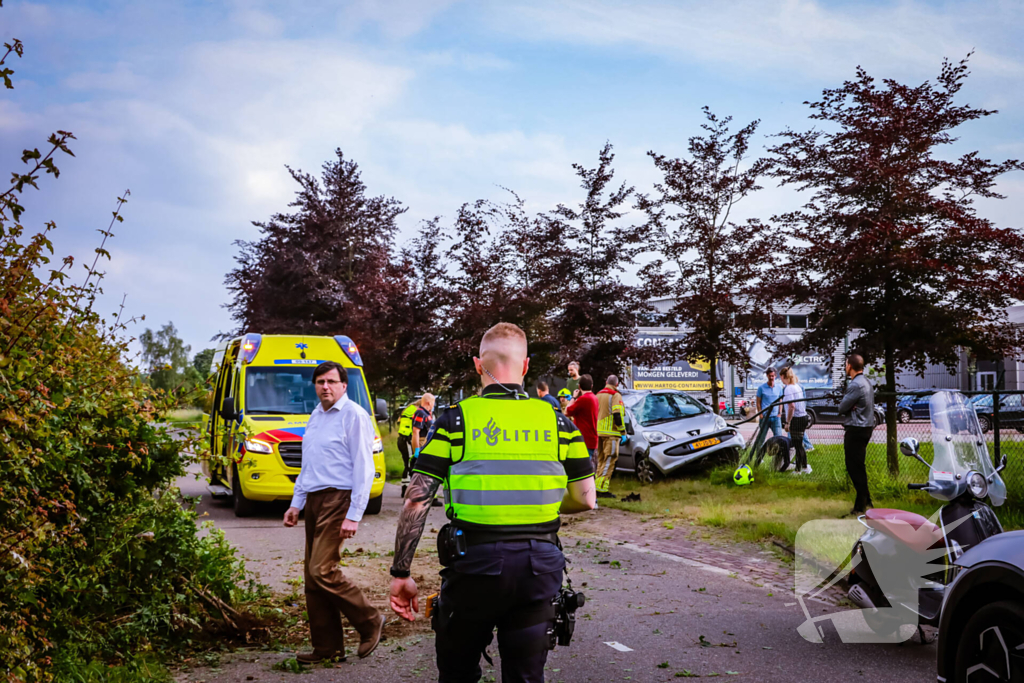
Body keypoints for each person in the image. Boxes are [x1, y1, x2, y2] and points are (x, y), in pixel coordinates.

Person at [387, 323, 596, 683]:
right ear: (526, 365)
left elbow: (416, 501)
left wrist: (401, 574)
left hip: (474, 568)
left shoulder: (455, 420)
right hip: (538, 567)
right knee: (526, 676)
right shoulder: (559, 422)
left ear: (477, 365)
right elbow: (586, 498)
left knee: (457, 672)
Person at [282, 361, 385, 664]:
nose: (325, 387)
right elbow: (309, 465)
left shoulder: (354, 415)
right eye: (319, 381)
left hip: (338, 500)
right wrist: (296, 503)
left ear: (343, 385)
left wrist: (354, 513)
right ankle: (327, 648)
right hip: (314, 499)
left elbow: (365, 467)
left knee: (322, 570)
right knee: (312, 580)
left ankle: (369, 620)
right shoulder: (315, 416)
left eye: (331, 381)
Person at [838, 354, 875, 514]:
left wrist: (850, 405)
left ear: (850, 366)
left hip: (856, 428)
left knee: (854, 467)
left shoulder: (855, 385)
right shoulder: (867, 382)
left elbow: (842, 407)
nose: (845, 367)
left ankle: (860, 506)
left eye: (846, 364)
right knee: (859, 466)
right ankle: (867, 500)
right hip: (866, 427)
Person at [594, 375, 627, 498]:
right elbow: (617, 415)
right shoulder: (615, 395)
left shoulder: (598, 395)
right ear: (617, 384)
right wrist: (623, 432)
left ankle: (596, 487)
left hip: (599, 433)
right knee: (609, 460)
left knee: (601, 461)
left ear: (606, 382)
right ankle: (602, 489)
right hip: (611, 434)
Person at [780, 367, 811, 474]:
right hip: (803, 417)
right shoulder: (796, 386)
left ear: (783, 376)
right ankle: (805, 467)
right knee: (800, 444)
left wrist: (788, 422)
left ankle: (799, 470)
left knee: (798, 445)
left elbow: (791, 406)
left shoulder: (788, 388)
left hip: (796, 419)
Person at [397, 396, 428, 496]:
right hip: (407, 440)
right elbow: (417, 428)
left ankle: (404, 488)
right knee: (412, 464)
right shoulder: (417, 411)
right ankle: (410, 490)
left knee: (407, 464)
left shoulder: (408, 409)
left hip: (401, 439)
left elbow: (399, 422)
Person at [565, 374, 599, 461]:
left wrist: (573, 398)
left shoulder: (583, 399)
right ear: (591, 386)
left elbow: (566, 411)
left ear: (579, 386)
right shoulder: (594, 398)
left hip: (584, 440)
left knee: (583, 469)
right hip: (592, 438)